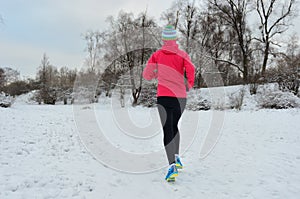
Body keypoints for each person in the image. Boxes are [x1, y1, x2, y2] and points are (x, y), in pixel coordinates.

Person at [143, 25, 195, 182]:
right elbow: (191, 70)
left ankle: (172, 165)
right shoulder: (182, 54)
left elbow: (147, 75)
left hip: (164, 96)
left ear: (164, 39)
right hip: (180, 98)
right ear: (175, 39)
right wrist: (189, 85)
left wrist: (156, 73)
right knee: (173, 127)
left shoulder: (157, 55)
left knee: (168, 129)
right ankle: (177, 158)